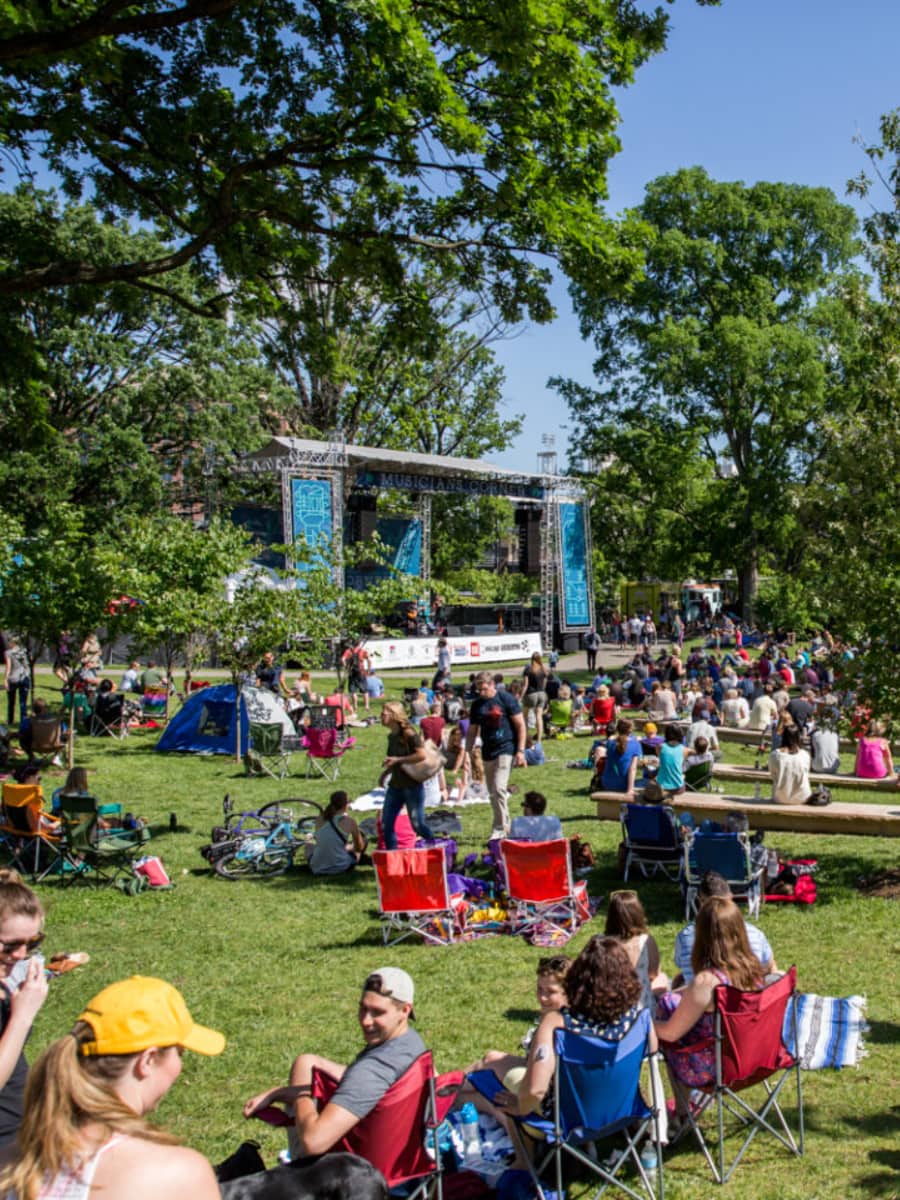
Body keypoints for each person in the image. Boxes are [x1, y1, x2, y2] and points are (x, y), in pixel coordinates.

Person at [0, 974, 224, 1198]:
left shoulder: (14, 1164)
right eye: (179, 1053)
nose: (180, 1065)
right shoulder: (178, 1174)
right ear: (148, 1060)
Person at [243, 967, 425, 1159]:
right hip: (398, 1155)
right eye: (363, 1008)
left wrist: (301, 1097)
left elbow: (314, 1142)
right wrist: (278, 1093)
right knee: (307, 1063)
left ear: (405, 1010)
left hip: (352, 1174)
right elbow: (360, 1082)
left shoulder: (372, 1071)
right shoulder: (411, 1044)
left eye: (377, 1012)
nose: (365, 1020)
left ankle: (297, 1166)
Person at [487, 937, 650, 1123]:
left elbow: (535, 1091)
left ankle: (454, 1093)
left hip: (570, 1119)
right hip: (622, 1109)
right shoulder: (637, 1017)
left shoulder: (561, 1024)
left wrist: (520, 1107)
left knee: (490, 1085)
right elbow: (651, 1051)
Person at [655, 898, 764, 1115]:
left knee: (670, 1038)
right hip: (754, 1059)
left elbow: (670, 1033)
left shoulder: (707, 982)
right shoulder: (752, 970)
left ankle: (682, 1111)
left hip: (718, 1069)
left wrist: (644, 1022)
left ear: (702, 936)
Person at [0, 871, 49, 1147]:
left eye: (32, 942)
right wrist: (22, 1016)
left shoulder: (5, 981)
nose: (20, 955)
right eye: (10, 945)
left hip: (22, 1130)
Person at [673, 872, 776, 985]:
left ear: (701, 902)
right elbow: (770, 969)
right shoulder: (754, 934)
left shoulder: (686, 937)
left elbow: (684, 970)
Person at [465, 672, 526, 839]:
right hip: (488, 750)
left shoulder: (506, 699)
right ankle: (506, 826)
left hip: (506, 747)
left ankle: (499, 829)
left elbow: (520, 725)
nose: (481, 693)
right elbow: (472, 730)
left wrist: (520, 751)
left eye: (484, 689)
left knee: (499, 787)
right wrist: (467, 752)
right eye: (478, 690)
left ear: (492, 684)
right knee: (493, 792)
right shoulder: (477, 705)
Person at [378, 703, 435, 849]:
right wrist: (386, 773)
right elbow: (394, 759)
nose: (381, 715)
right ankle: (394, 859)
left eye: (384, 712)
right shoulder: (391, 736)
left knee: (418, 825)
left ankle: (435, 849)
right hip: (395, 787)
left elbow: (421, 754)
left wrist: (398, 760)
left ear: (394, 715)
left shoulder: (408, 733)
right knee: (386, 825)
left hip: (412, 787)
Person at [604, 891, 669, 1012]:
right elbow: (653, 974)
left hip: (609, 1008)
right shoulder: (646, 942)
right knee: (664, 978)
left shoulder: (599, 943)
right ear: (638, 914)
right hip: (642, 1008)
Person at [309, 791, 368, 876]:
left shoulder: (320, 819)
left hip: (317, 867)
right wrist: (351, 847)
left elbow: (323, 841)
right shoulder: (350, 821)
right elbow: (359, 847)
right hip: (341, 866)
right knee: (363, 842)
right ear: (346, 805)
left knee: (309, 846)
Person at [769, 726, 812, 805]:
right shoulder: (805, 755)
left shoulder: (775, 755)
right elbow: (806, 773)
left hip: (780, 797)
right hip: (802, 797)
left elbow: (773, 774)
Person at [600, 719, 642, 798]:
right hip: (624, 785)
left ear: (617, 729)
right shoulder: (635, 744)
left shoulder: (610, 743)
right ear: (631, 730)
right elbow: (632, 768)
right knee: (646, 782)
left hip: (607, 783)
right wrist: (630, 789)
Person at [521, 652, 548, 743]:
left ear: (531, 659)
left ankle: (525, 737)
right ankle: (539, 740)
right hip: (541, 693)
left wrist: (521, 696)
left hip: (531, 694)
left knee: (524, 715)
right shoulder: (543, 670)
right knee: (539, 716)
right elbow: (544, 684)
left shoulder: (528, 670)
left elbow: (525, 685)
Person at [3, 638, 30, 728]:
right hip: (24, 677)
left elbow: (8, 667)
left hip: (13, 679)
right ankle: (24, 721)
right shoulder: (24, 651)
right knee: (23, 702)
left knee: (11, 701)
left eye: (9, 641)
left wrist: (5, 679)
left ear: (12, 642)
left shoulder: (8, 653)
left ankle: (10, 720)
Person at [656, 723, 687, 795]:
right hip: (678, 788)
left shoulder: (659, 747)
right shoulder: (684, 750)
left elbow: (661, 761)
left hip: (661, 787)